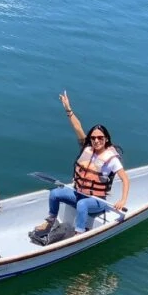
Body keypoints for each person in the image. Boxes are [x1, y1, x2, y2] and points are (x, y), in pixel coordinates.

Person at [33, 90, 130, 237]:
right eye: (93, 138)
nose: (96, 141)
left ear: (106, 139)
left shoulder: (111, 159)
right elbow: (77, 127)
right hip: (78, 193)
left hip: (96, 201)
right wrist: (68, 109)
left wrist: (122, 200)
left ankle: (79, 233)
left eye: (100, 138)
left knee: (82, 204)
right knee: (54, 194)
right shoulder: (87, 149)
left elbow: (125, 179)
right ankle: (50, 221)